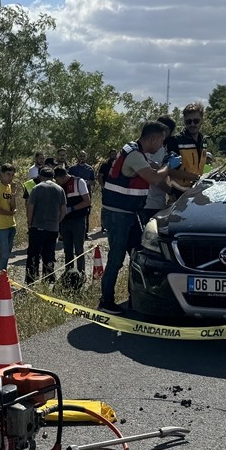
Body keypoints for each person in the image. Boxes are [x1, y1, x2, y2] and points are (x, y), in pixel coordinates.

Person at [98, 120, 177, 314]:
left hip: (128, 214)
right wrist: (169, 166)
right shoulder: (134, 155)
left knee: (137, 254)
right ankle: (105, 302)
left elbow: (154, 172)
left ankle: (135, 298)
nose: (161, 145)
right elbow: (154, 177)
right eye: (161, 141)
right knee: (116, 258)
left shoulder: (136, 152)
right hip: (118, 215)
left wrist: (173, 191)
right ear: (152, 138)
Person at [25, 166, 67, 284]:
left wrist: (30, 224)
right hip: (53, 228)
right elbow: (63, 211)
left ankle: (31, 279)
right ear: (53, 177)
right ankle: (48, 278)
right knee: (49, 254)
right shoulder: (60, 189)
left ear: (40, 176)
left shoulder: (37, 188)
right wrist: (56, 222)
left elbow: (30, 208)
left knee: (33, 254)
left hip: (37, 227)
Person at [55, 166, 91, 274]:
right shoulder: (59, 186)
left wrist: (71, 209)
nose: (57, 182)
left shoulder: (78, 182)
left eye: (57, 179)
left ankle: (81, 273)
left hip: (78, 220)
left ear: (63, 176)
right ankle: (69, 274)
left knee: (79, 248)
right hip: (65, 221)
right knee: (67, 250)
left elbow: (87, 201)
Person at [166, 103, 209, 190]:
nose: (192, 124)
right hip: (179, 191)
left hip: (198, 189)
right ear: (184, 121)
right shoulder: (175, 140)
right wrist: (196, 177)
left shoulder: (204, 140)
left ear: (202, 120)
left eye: (196, 121)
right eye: (188, 121)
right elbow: (169, 170)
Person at [0, 163, 20, 276]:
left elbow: (13, 207)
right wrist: (9, 213)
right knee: (4, 253)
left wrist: (13, 194)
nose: (10, 177)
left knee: (7, 254)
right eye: (8, 174)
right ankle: (0, 279)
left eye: (12, 175)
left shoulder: (9, 187)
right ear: (1, 174)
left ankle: (4, 276)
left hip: (11, 224)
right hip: (1, 225)